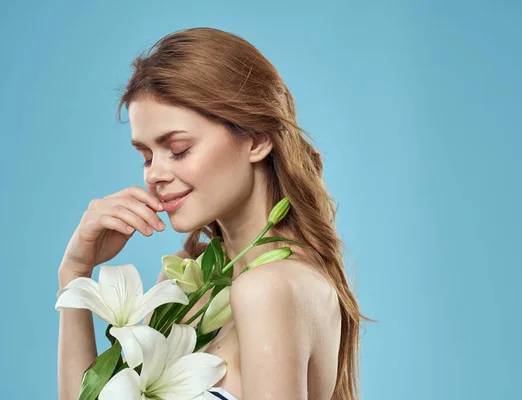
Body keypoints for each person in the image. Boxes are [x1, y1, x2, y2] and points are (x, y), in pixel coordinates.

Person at [57, 27, 370, 400]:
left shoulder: (269, 289)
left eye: (178, 149)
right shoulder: (186, 276)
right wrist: (75, 274)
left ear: (257, 139)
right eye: (146, 156)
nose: (154, 173)